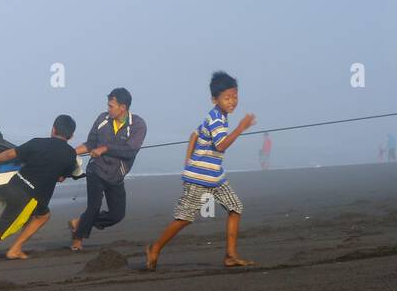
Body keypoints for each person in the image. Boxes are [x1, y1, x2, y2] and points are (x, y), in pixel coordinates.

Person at [145, 71, 256, 270]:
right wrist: (240, 128)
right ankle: (155, 248)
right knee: (184, 218)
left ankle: (231, 255)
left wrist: (187, 161)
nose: (232, 102)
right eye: (227, 98)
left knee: (235, 207)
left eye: (235, 97)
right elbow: (221, 145)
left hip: (215, 177)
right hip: (199, 178)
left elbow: (193, 135)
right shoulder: (216, 120)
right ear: (215, 99)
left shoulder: (218, 115)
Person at [0, 115, 78, 263]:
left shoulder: (37, 142)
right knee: (3, 230)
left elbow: (10, 154)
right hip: (29, 197)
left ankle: (16, 248)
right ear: (71, 136)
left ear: (53, 129)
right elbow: (60, 178)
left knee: (43, 215)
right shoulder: (70, 155)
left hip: (14, 185)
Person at [68, 88, 147, 251]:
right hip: (96, 170)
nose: (108, 109)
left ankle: (79, 223)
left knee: (117, 215)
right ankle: (77, 239)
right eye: (108, 105)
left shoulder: (138, 125)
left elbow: (130, 151)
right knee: (94, 207)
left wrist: (105, 148)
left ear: (123, 107)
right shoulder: (102, 119)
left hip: (116, 175)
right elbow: (90, 144)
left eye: (111, 106)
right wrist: (71, 152)